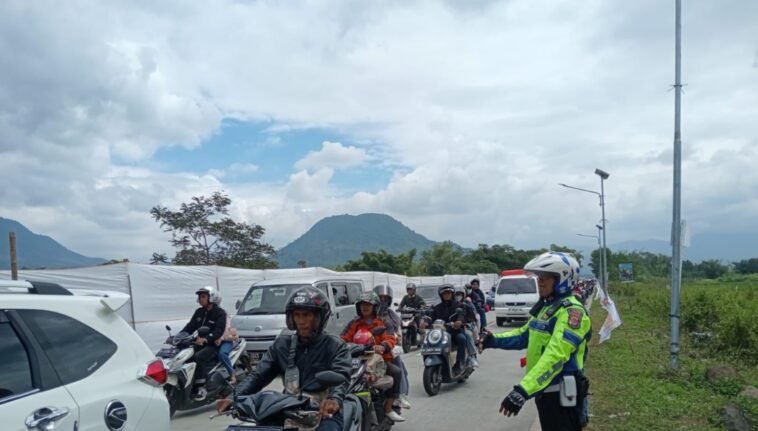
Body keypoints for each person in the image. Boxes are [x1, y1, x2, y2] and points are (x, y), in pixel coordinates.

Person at [480, 252, 591, 431]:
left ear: (562, 279)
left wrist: (523, 390)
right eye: (539, 277)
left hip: (560, 392)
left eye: (545, 277)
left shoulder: (571, 312)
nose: (539, 281)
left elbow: (556, 355)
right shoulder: (548, 307)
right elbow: (523, 335)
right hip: (544, 391)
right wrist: (492, 340)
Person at [216, 287, 352, 431]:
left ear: (320, 317)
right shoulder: (282, 345)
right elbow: (258, 375)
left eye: (306, 315)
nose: (301, 321)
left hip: (323, 409)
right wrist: (233, 396)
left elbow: (341, 375)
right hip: (288, 406)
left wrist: (334, 399)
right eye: (297, 315)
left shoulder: (334, 345)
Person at [341, 292, 405, 423]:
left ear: (374, 306)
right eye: (362, 304)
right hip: (356, 360)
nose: (365, 307)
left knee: (396, 372)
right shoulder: (354, 323)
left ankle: (388, 408)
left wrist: (383, 346)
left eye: (368, 305)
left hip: (378, 360)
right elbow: (343, 337)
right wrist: (338, 344)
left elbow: (390, 338)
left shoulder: (383, 322)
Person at [181, 286, 227, 400]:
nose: (200, 299)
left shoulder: (219, 313)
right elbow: (190, 327)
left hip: (213, 345)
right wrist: (178, 336)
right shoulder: (199, 312)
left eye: (203, 296)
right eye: (200, 297)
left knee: (198, 357)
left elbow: (218, 331)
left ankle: (202, 387)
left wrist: (206, 339)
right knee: (185, 356)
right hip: (198, 343)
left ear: (211, 297)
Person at [373, 284, 412, 410]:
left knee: (399, 367)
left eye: (385, 298)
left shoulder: (392, 317)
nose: (382, 301)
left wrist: (394, 339)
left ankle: (400, 395)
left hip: (385, 349)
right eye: (380, 298)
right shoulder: (361, 318)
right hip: (368, 350)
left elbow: (396, 334)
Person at [423, 284, 468, 373]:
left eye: (448, 293)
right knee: (428, 340)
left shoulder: (458, 305)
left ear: (452, 294)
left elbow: (462, 314)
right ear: (441, 295)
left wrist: (459, 321)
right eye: (444, 293)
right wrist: (426, 322)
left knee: (461, 338)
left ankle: (460, 363)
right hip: (441, 333)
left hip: (454, 332)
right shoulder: (437, 307)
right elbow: (431, 317)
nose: (446, 295)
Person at [453, 287, 480, 368]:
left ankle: (472, 356)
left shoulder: (467, 305)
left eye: (460, 294)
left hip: (465, 326)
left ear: (464, 295)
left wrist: (465, 323)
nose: (458, 296)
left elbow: (472, 317)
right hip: (452, 327)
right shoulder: (452, 304)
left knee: (467, 334)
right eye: (457, 294)